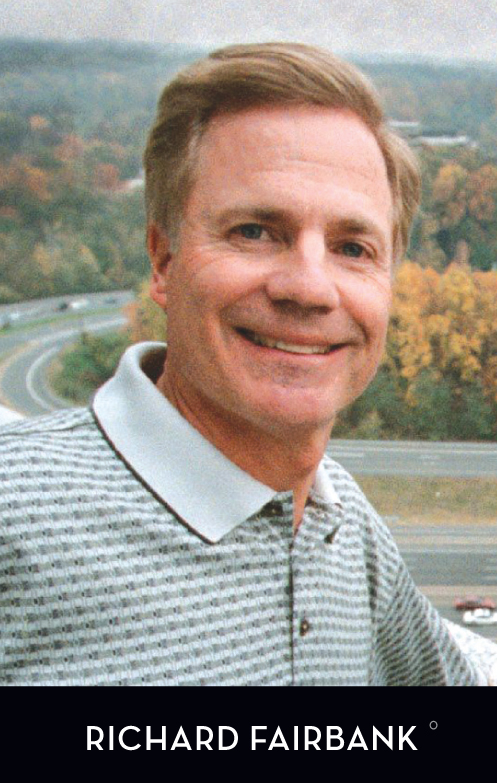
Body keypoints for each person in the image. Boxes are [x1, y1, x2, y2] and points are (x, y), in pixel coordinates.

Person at [0, 43, 495, 685]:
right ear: (164, 261)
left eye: (353, 247)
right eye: (255, 232)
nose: (310, 288)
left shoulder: (342, 526)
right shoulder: (17, 509)